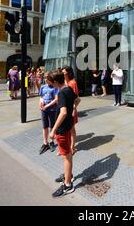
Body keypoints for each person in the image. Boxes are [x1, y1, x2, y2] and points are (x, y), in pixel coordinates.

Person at [50, 69, 81, 198]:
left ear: (55, 82)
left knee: (66, 156)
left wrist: (53, 130)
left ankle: (68, 185)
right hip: (68, 126)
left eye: (50, 82)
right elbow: (78, 100)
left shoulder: (62, 93)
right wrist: (73, 109)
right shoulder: (68, 89)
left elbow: (62, 112)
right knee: (67, 154)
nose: (50, 84)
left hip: (62, 129)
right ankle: (68, 175)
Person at [39, 72, 59, 155]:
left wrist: (47, 106)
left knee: (52, 126)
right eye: (45, 79)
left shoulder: (55, 88)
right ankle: (45, 143)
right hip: (44, 110)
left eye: (47, 79)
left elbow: (56, 99)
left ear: (51, 79)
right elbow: (41, 96)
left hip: (52, 110)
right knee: (45, 126)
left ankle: (51, 142)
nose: (45, 80)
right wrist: (41, 101)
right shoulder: (43, 87)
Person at [62, 66, 79, 155]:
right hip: (65, 109)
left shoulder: (72, 83)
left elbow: (76, 99)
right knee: (67, 129)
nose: (62, 73)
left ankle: (72, 147)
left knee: (71, 129)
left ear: (68, 73)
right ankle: (68, 146)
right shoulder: (65, 82)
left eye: (64, 72)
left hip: (71, 109)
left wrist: (74, 109)